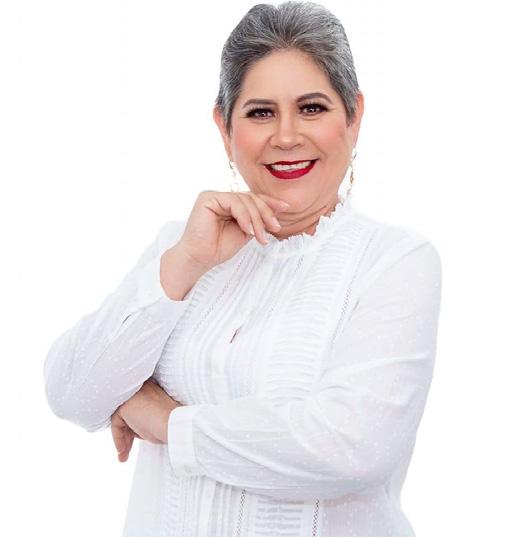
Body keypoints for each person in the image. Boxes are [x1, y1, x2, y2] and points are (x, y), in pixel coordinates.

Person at [43, 2, 442, 536]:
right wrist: (186, 262)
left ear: (354, 116)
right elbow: (72, 392)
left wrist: (164, 420)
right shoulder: (183, 246)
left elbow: (350, 445)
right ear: (224, 126)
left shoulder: (394, 261)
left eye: (312, 108)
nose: (286, 136)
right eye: (260, 112)